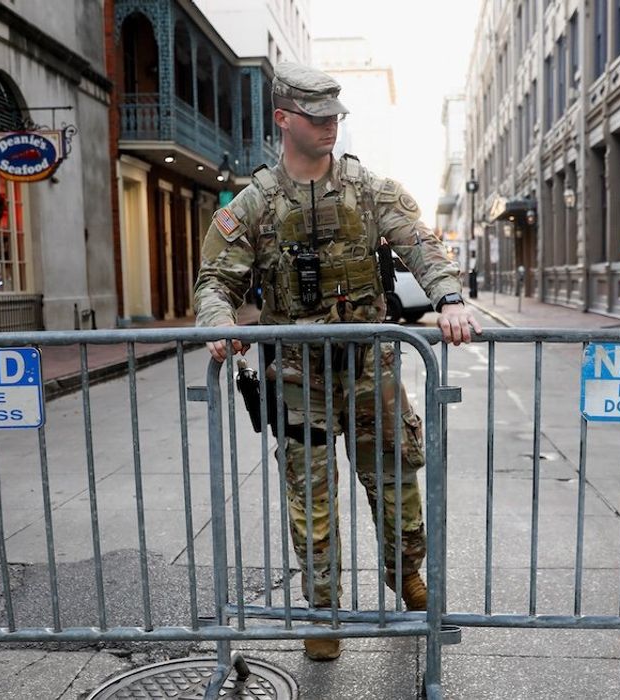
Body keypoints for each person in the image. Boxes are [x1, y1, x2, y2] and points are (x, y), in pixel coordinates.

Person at [193, 63, 482, 661]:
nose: (329, 127)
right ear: (283, 119)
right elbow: (215, 282)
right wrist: (218, 323)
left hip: (371, 373)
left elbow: (421, 244)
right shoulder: (254, 204)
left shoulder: (370, 190)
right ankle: (322, 609)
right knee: (312, 500)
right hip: (299, 378)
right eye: (316, 117)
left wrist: (449, 297)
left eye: (334, 118)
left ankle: (405, 575)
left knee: (399, 484)